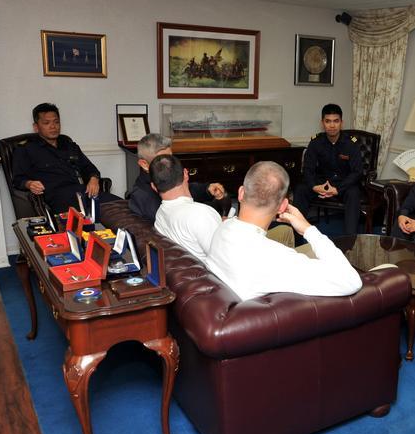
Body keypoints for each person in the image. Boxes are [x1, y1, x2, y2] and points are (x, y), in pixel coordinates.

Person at [207, 161, 363, 302]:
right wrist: (308, 229)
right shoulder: (275, 258)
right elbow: (351, 281)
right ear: (283, 206)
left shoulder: (222, 228)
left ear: (241, 193)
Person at [12, 102, 120, 214]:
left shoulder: (69, 145)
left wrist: (94, 179)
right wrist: (29, 184)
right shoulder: (26, 149)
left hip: (84, 193)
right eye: (46, 123)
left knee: (122, 206)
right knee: (86, 220)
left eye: (56, 122)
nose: (53, 126)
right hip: (59, 198)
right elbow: (18, 180)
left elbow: (89, 168)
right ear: (36, 127)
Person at [292, 103, 362, 234]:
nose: (332, 125)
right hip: (321, 183)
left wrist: (338, 189)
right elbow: (307, 169)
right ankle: (294, 236)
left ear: (341, 123)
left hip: (343, 184)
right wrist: (314, 186)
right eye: (328, 121)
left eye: (336, 121)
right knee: (301, 189)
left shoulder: (351, 144)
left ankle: (350, 239)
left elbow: (357, 172)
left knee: (354, 193)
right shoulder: (316, 142)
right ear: (322, 123)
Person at [127, 133, 226, 223]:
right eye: (162, 160)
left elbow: (186, 189)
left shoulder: (165, 176)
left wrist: (207, 189)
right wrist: (213, 223)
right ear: (144, 164)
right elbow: (171, 223)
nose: (170, 163)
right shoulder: (143, 196)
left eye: (171, 157)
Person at [149, 154, 221, 264]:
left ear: (153, 186)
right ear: (186, 173)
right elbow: (225, 259)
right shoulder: (202, 215)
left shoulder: (160, 215)